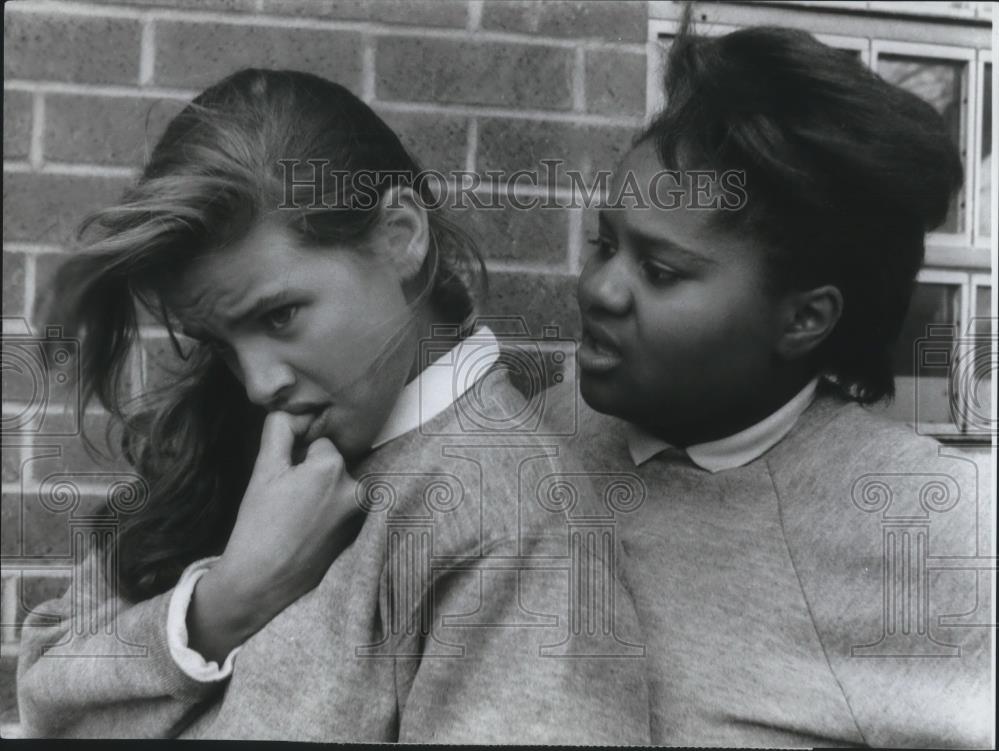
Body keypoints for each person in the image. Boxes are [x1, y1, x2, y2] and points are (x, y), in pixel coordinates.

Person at [15, 68, 650, 743]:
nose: (258, 382)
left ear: (402, 236)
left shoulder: (510, 512)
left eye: (281, 315)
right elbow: (46, 698)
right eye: (222, 342)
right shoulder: (246, 438)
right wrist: (224, 603)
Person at [555, 16, 993, 748]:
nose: (599, 290)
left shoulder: (928, 526)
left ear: (804, 319)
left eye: (660, 272)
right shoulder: (542, 429)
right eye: (605, 243)